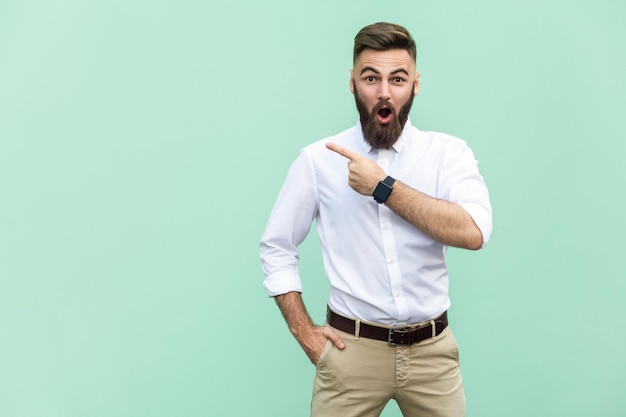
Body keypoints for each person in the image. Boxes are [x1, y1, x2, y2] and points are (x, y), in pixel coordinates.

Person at [259, 22, 492, 417]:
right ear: (352, 83)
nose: (384, 92)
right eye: (371, 78)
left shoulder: (448, 154)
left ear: (415, 85)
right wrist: (304, 331)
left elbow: (473, 232)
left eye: (397, 79)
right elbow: (276, 246)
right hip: (351, 353)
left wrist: (383, 187)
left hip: (432, 355)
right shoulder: (318, 160)